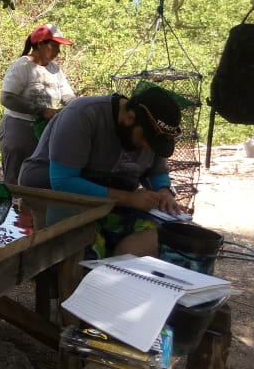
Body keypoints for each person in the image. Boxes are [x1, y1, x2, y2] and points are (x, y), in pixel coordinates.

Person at [18, 86, 185, 258]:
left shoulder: (149, 132)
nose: (147, 147)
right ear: (130, 117)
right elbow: (63, 182)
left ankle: (118, 277)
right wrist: (129, 199)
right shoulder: (82, 114)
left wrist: (164, 191)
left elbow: (156, 172)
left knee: (157, 238)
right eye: (146, 140)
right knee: (82, 249)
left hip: (111, 200)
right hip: (55, 194)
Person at [0, 23, 77, 184]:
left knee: (38, 177)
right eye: (54, 46)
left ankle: (34, 208)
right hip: (19, 128)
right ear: (40, 44)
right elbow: (7, 98)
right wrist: (41, 111)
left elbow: (68, 96)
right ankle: (15, 206)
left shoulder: (56, 70)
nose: (58, 51)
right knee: (15, 180)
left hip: (45, 131)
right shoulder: (22, 66)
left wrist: (76, 108)